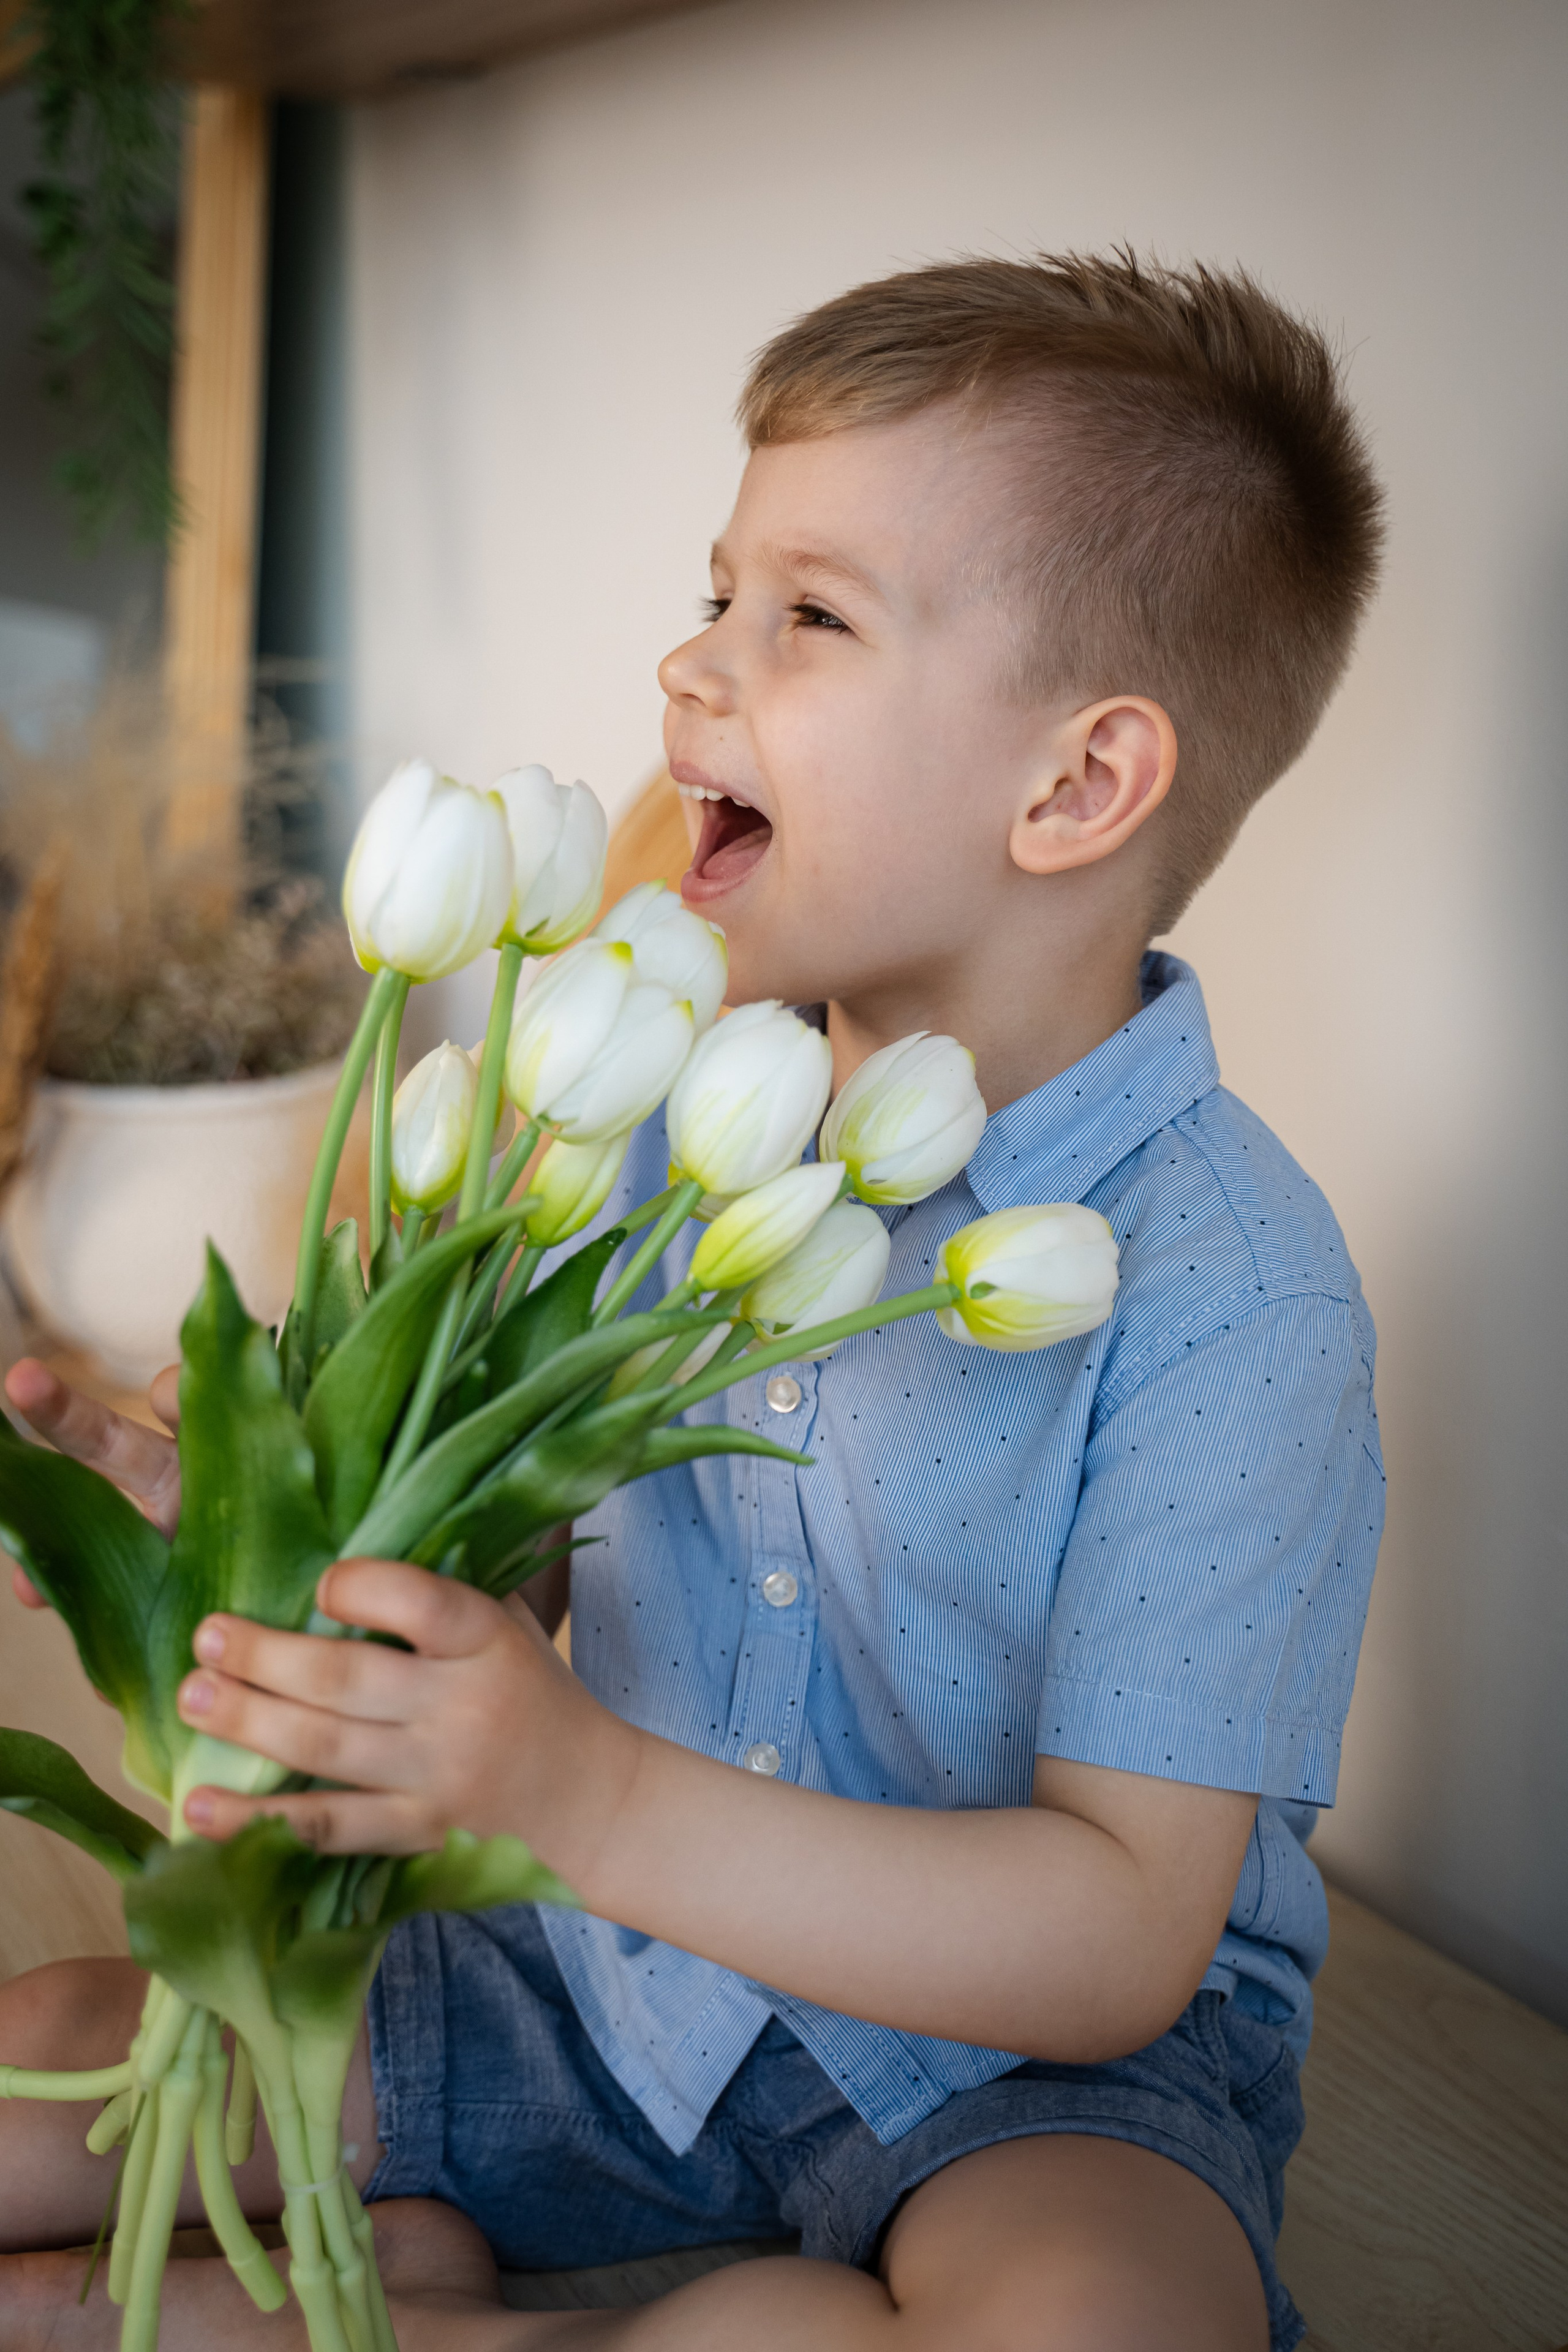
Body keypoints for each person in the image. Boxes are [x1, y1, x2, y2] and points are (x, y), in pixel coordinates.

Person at [0, 250, 1386, 2351]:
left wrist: (589, 1793)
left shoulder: (1235, 1287)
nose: (692, 664)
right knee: (60, 2069)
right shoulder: (639, 1106)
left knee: (1116, 2321)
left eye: (806, 616)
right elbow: (521, 1564)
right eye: (716, 588)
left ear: (1078, 788)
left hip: (1022, 2075)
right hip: (588, 1978)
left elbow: (1116, 1937)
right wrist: (249, 1525)